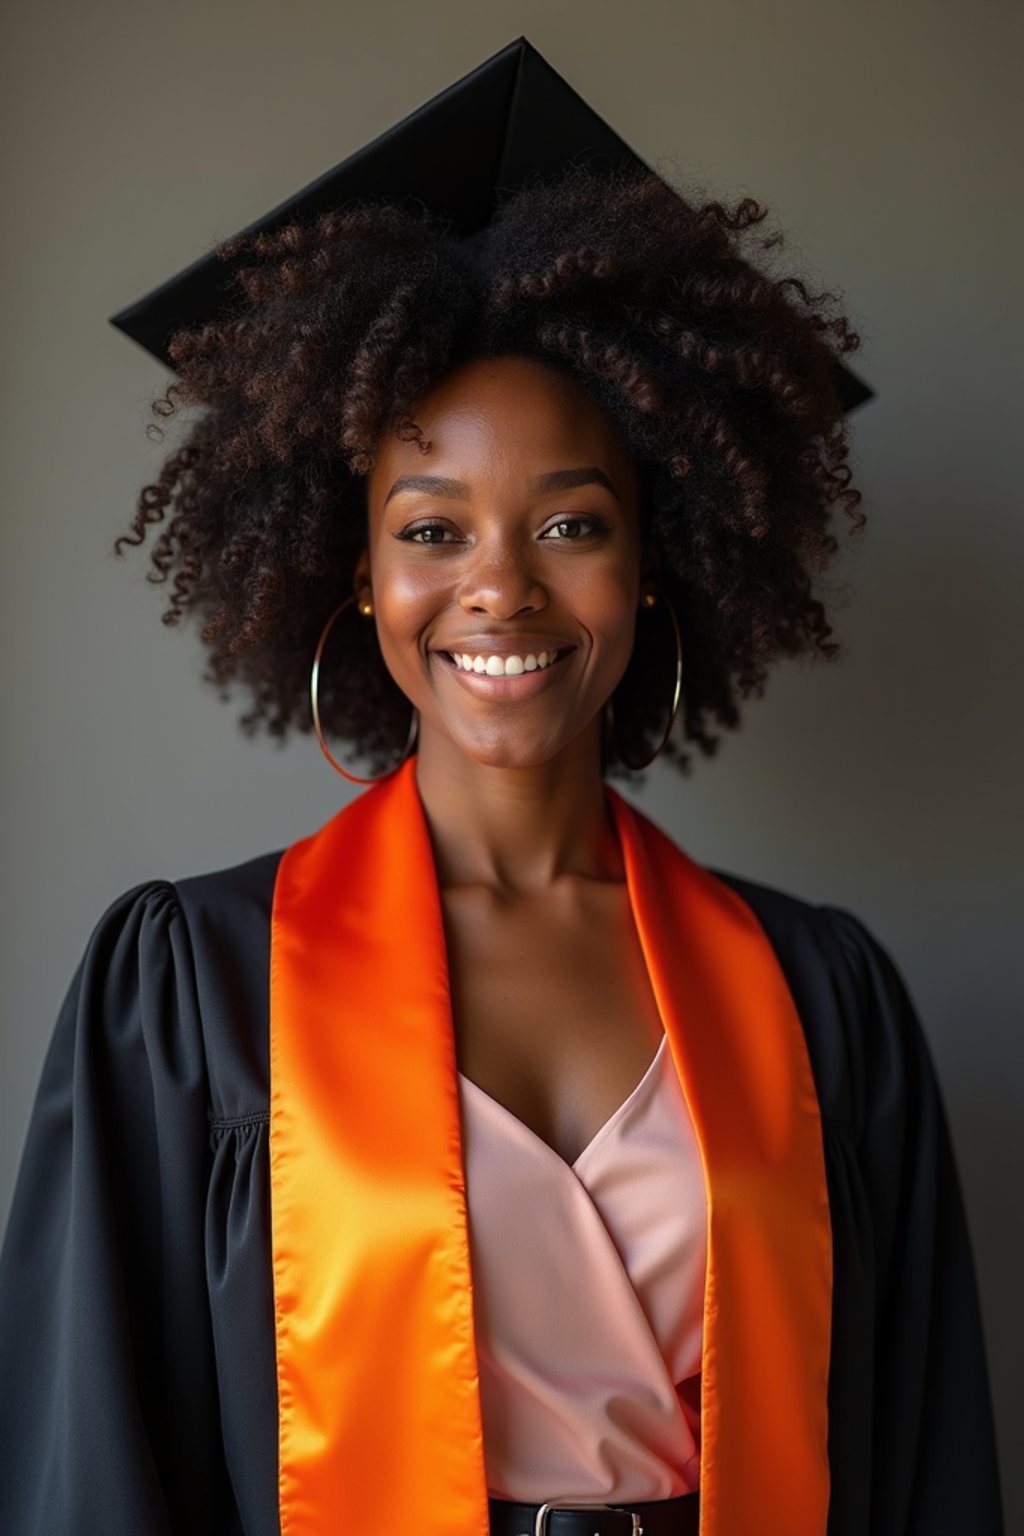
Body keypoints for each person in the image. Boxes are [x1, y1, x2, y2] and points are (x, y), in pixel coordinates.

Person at [0, 40, 1003, 1536]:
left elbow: (922, 1463)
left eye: (572, 524)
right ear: (358, 573)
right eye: (433, 529)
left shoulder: (819, 998)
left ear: (656, 566)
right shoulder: (196, 992)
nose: (501, 592)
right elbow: (95, 1470)